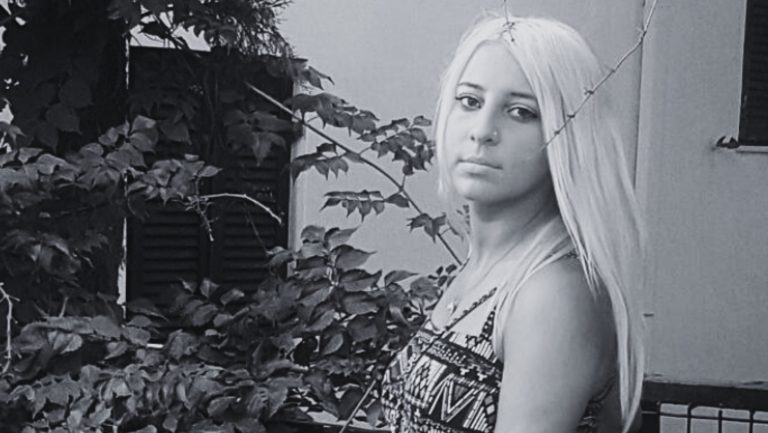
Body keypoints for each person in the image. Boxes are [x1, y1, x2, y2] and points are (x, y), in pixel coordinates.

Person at [380, 14, 645, 433]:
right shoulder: (488, 267)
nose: (483, 131)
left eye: (521, 112)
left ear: (570, 134)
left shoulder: (552, 292)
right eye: (470, 101)